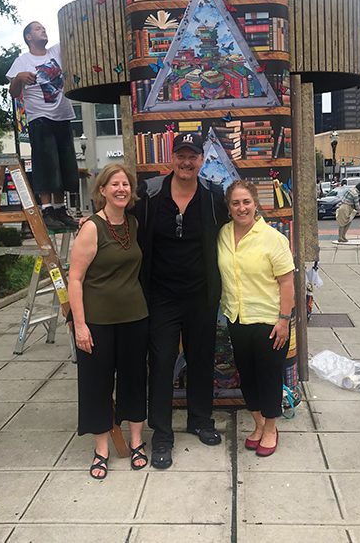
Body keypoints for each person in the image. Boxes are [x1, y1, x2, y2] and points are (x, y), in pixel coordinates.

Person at [133, 133, 229, 469]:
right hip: (161, 295)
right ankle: (162, 433)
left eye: (193, 156)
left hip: (201, 294)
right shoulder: (150, 192)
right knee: (161, 362)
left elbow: (236, 230)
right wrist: (94, 221)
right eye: (181, 155)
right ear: (172, 157)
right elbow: (121, 216)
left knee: (201, 357)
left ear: (202, 160)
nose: (186, 162)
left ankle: (200, 419)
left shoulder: (214, 195)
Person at [68, 163, 149, 479]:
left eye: (126, 184)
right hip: (97, 322)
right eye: (114, 184)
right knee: (97, 384)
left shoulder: (133, 223)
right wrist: (79, 324)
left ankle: (137, 441)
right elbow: (75, 279)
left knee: (134, 380)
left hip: (135, 316)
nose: (121, 189)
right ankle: (101, 448)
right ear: (102, 190)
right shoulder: (91, 227)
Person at [217, 180, 295, 457]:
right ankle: (259, 423)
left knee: (268, 378)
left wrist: (284, 319)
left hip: (269, 322)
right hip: (237, 319)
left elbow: (287, 281)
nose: (241, 208)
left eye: (246, 202)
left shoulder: (273, 238)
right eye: (236, 203)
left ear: (255, 204)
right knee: (247, 377)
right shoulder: (223, 235)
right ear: (228, 207)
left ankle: (271, 428)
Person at [6, 21, 78, 231]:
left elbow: (71, 33)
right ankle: (46, 209)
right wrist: (19, 78)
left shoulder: (56, 51)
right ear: (28, 37)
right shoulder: (22, 61)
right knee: (47, 163)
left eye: (43, 28)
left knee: (64, 163)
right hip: (40, 117)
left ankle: (59, 208)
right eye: (37, 29)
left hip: (62, 115)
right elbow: (13, 92)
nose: (43, 30)